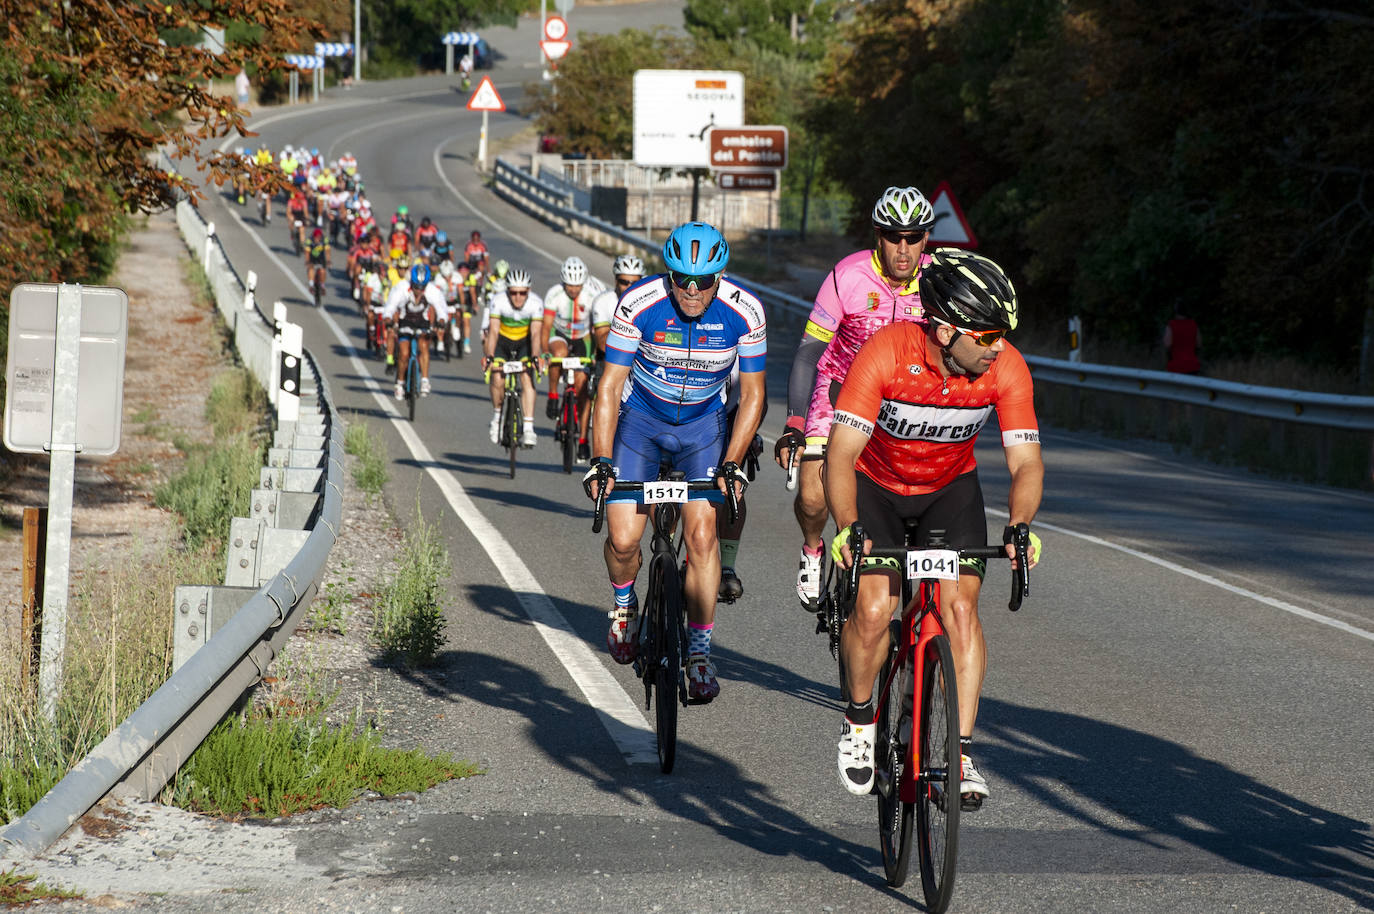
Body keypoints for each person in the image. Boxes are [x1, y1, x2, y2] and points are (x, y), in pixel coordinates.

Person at [824, 248, 1043, 805]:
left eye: (1001, 336)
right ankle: (858, 722)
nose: (997, 348)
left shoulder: (1006, 367)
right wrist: (848, 525)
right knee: (874, 609)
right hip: (877, 489)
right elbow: (841, 456)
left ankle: (962, 752)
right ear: (946, 331)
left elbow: (1025, 462)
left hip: (950, 493)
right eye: (987, 335)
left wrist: (1020, 525)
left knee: (961, 611)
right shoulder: (885, 355)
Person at [581, 222, 766, 702]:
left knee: (703, 536)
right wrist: (601, 460)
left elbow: (752, 395)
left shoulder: (745, 312)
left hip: (703, 429)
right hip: (641, 424)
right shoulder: (639, 304)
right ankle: (623, 607)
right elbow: (608, 387)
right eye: (681, 277)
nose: (691, 290)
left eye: (703, 281)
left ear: (720, 275)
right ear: (669, 271)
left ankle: (700, 652)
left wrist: (732, 463)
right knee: (623, 539)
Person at [774, 186, 937, 612]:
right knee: (813, 493)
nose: (903, 249)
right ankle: (812, 549)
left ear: (926, 238)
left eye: (914, 237)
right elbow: (810, 351)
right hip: (838, 392)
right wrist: (794, 422)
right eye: (893, 237)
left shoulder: (939, 280)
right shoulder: (847, 275)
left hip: (901, 403)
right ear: (877, 236)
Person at [542, 255, 607, 461]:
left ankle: (582, 439)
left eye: (577, 286)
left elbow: (598, 329)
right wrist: (545, 352)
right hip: (559, 336)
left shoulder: (591, 295)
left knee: (582, 387)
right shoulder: (554, 295)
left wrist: (596, 354)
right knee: (558, 355)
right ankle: (553, 395)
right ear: (564, 282)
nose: (573, 290)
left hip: (582, 339)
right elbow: (545, 327)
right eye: (570, 285)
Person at [483, 268, 544, 447]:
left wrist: (534, 356)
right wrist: (489, 356)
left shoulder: (535, 303)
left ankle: (528, 428)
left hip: (524, 342)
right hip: (503, 341)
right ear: (507, 291)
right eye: (513, 293)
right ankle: (496, 417)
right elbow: (493, 331)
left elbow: (535, 333)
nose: (518, 297)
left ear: (529, 291)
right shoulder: (498, 301)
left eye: (522, 293)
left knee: (526, 378)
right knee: (497, 378)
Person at [381, 263, 448, 400]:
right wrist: (388, 319)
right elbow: (390, 307)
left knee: (424, 345)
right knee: (404, 353)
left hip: (422, 321)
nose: (419, 290)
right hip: (405, 320)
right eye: (416, 287)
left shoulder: (432, 291)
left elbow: (442, 310)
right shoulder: (401, 289)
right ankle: (400, 383)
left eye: (422, 287)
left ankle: (424, 380)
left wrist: (441, 322)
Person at [1164, 304, 1201, 374]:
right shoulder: (1193, 324)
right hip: (1192, 365)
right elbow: (1199, 344)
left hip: (1176, 366)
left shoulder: (1171, 325)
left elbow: (1167, 344)